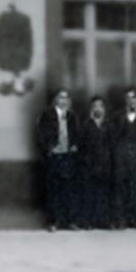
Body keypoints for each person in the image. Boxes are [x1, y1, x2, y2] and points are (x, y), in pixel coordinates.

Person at [36, 90, 81, 231]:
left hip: (68, 156)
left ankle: (69, 221)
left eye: (66, 98)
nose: (64, 100)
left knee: (69, 189)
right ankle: (53, 222)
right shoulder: (48, 115)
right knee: (53, 190)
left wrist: (74, 145)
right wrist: (48, 149)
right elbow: (40, 134)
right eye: (61, 97)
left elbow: (77, 133)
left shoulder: (71, 115)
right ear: (56, 99)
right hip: (54, 156)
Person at [112, 89, 136, 229]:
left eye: (134, 97)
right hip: (121, 158)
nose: (131, 100)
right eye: (128, 98)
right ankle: (121, 220)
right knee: (121, 190)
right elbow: (114, 137)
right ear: (125, 100)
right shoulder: (118, 116)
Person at [81, 95, 113, 229]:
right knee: (90, 193)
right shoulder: (86, 125)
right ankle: (90, 222)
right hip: (90, 164)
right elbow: (82, 146)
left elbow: (113, 145)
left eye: (100, 106)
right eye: (95, 106)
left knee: (104, 193)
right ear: (91, 109)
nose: (97, 108)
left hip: (105, 163)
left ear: (104, 109)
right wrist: (86, 160)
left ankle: (104, 221)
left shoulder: (109, 125)